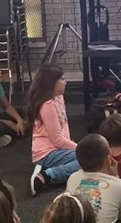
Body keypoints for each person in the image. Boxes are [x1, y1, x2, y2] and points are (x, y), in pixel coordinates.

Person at [27, 64, 81, 196]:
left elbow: (63, 128)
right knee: (90, 159)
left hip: (58, 149)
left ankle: (55, 170)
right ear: (51, 84)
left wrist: (72, 146)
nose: (65, 82)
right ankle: (47, 175)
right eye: (62, 79)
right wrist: (79, 148)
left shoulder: (58, 97)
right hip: (47, 153)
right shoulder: (47, 105)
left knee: (90, 158)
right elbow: (57, 140)